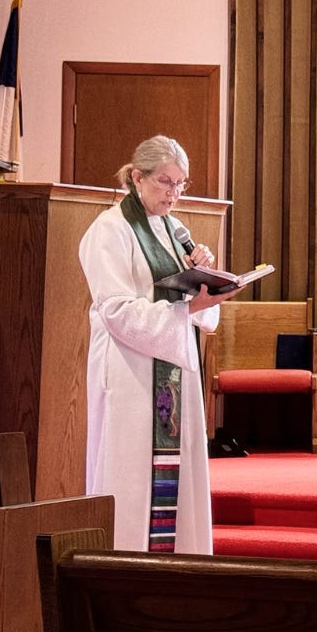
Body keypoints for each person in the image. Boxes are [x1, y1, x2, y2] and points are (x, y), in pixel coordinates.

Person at [79, 134, 239, 554]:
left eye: (181, 184)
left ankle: (178, 573)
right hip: (132, 375)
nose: (175, 193)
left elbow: (186, 301)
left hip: (171, 374)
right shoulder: (109, 230)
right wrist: (183, 312)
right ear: (137, 177)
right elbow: (114, 309)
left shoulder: (173, 230)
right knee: (130, 478)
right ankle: (125, 572)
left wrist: (205, 281)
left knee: (177, 480)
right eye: (166, 182)